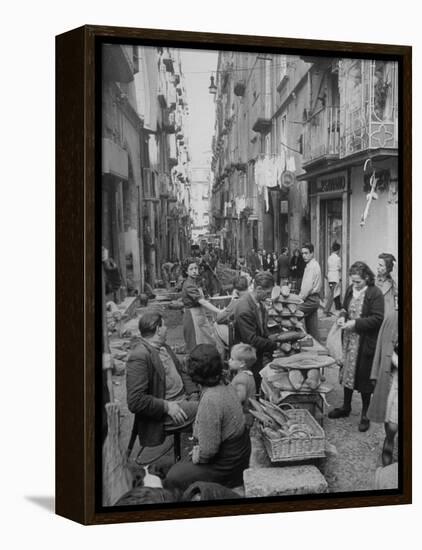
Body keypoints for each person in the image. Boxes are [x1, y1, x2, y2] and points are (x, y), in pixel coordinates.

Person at [165, 344, 251, 491]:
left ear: (195, 373)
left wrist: (198, 454)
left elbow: (208, 452)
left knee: (173, 477)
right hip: (240, 451)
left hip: (229, 465)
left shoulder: (211, 399)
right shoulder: (224, 382)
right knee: (176, 466)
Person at [126, 312, 199, 450]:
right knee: (208, 409)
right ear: (158, 330)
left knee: (211, 398)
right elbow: (135, 401)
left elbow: (181, 370)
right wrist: (166, 406)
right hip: (161, 415)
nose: (167, 329)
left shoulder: (164, 347)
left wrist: (193, 392)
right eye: (165, 326)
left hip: (183, 399)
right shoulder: (139, 356)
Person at [328, 261, 384, 432]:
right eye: (353, 281)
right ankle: (346, 407)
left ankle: (365, 414)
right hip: (349, 340)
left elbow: (377, 318)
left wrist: (355, 323)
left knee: (364, 378)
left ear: (367, 277)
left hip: (365, 342)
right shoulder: (350, 290)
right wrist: (342, 317)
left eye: (358, 281)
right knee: (346, 372)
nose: (355, 284)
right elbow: (344, 308)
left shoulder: (375, 293)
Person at [234, 271, 280, 389]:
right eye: (268, 292)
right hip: (247, 358)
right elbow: (252, 340)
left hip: (256, 353)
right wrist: (275, 344)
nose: (269, 296)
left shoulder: (257, 303)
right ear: (259, 289)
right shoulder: (245, 309)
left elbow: (261, 331)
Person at [367, 305, 399, 466]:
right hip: (396, 376)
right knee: (393, 422)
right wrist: (375, 373)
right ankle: (389, 443)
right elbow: (382, 346)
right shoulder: (393, 318)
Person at [181, 260, 224, 355]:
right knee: (196, 344)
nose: (194, 271)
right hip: (192, 316)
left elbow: (205, 298)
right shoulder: (189, 285)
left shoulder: (195, 282)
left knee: (207, 340)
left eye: (196, 268)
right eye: (191, 269)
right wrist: (219, 311)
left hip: (199, 314)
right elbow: (202, 301)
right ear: (186, 272)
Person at [229, 343, 257, 429]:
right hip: (249, 415)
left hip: (243, 417)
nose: (229, 360)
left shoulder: (240, 379)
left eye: (232, 359)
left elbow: (239, 399)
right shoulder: (249, 375)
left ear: (241, 363)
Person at [298, 243, 322, 340]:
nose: (304, 255)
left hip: (310, 299)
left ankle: (295, 337)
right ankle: (318, 347)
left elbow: (307, 288)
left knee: (293, 314)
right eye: (302, 253)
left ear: (312, 253)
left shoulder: (312, 266)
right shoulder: (312, 265)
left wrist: (299, 299)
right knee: (312, 329)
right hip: (314, 298)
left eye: (306, 253)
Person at [376, 253, 398, 317]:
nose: (377, 267)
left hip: (390, 320)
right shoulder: (373, 281)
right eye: (378, 265)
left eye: (381, 265)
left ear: (388, 268)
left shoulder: (394, 283)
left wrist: (395, 276)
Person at [324, 242, 342, 316]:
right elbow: (339, 267)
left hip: (330, 276)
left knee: (334, 293)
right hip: (335, 276)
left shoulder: (329, 257)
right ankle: (326, 310)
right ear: (338, 250)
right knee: (332, 294)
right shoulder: (338, 258)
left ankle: (338, 307)